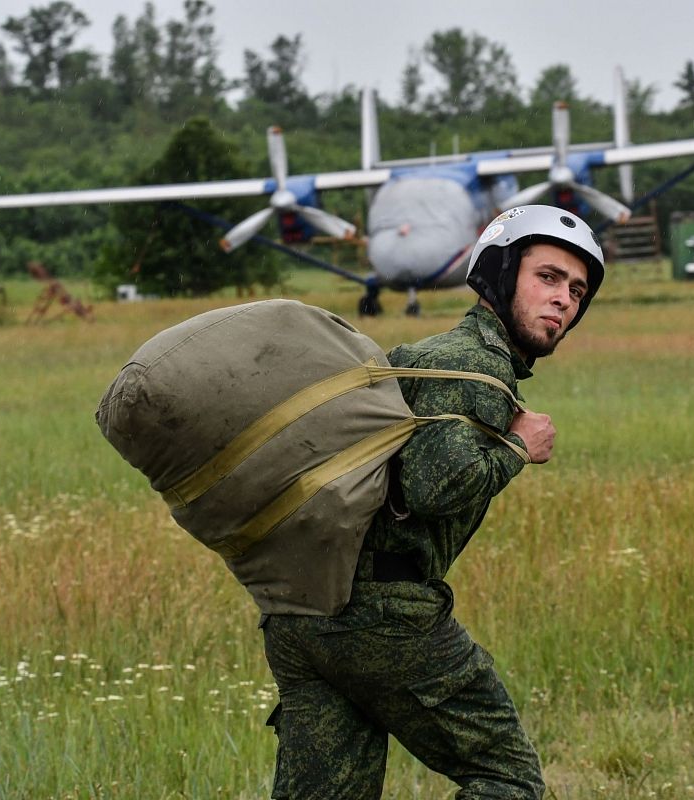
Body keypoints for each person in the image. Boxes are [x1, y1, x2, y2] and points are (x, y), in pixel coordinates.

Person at [260, 205, 605, 799]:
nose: (563, 300)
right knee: (506, 778)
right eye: (547, 277)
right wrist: (518, 448)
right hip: (383, 612)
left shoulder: (428, 353)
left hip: (300, 611)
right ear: (500, 274)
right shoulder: (476, 365)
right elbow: (435, 487)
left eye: (576, 290)